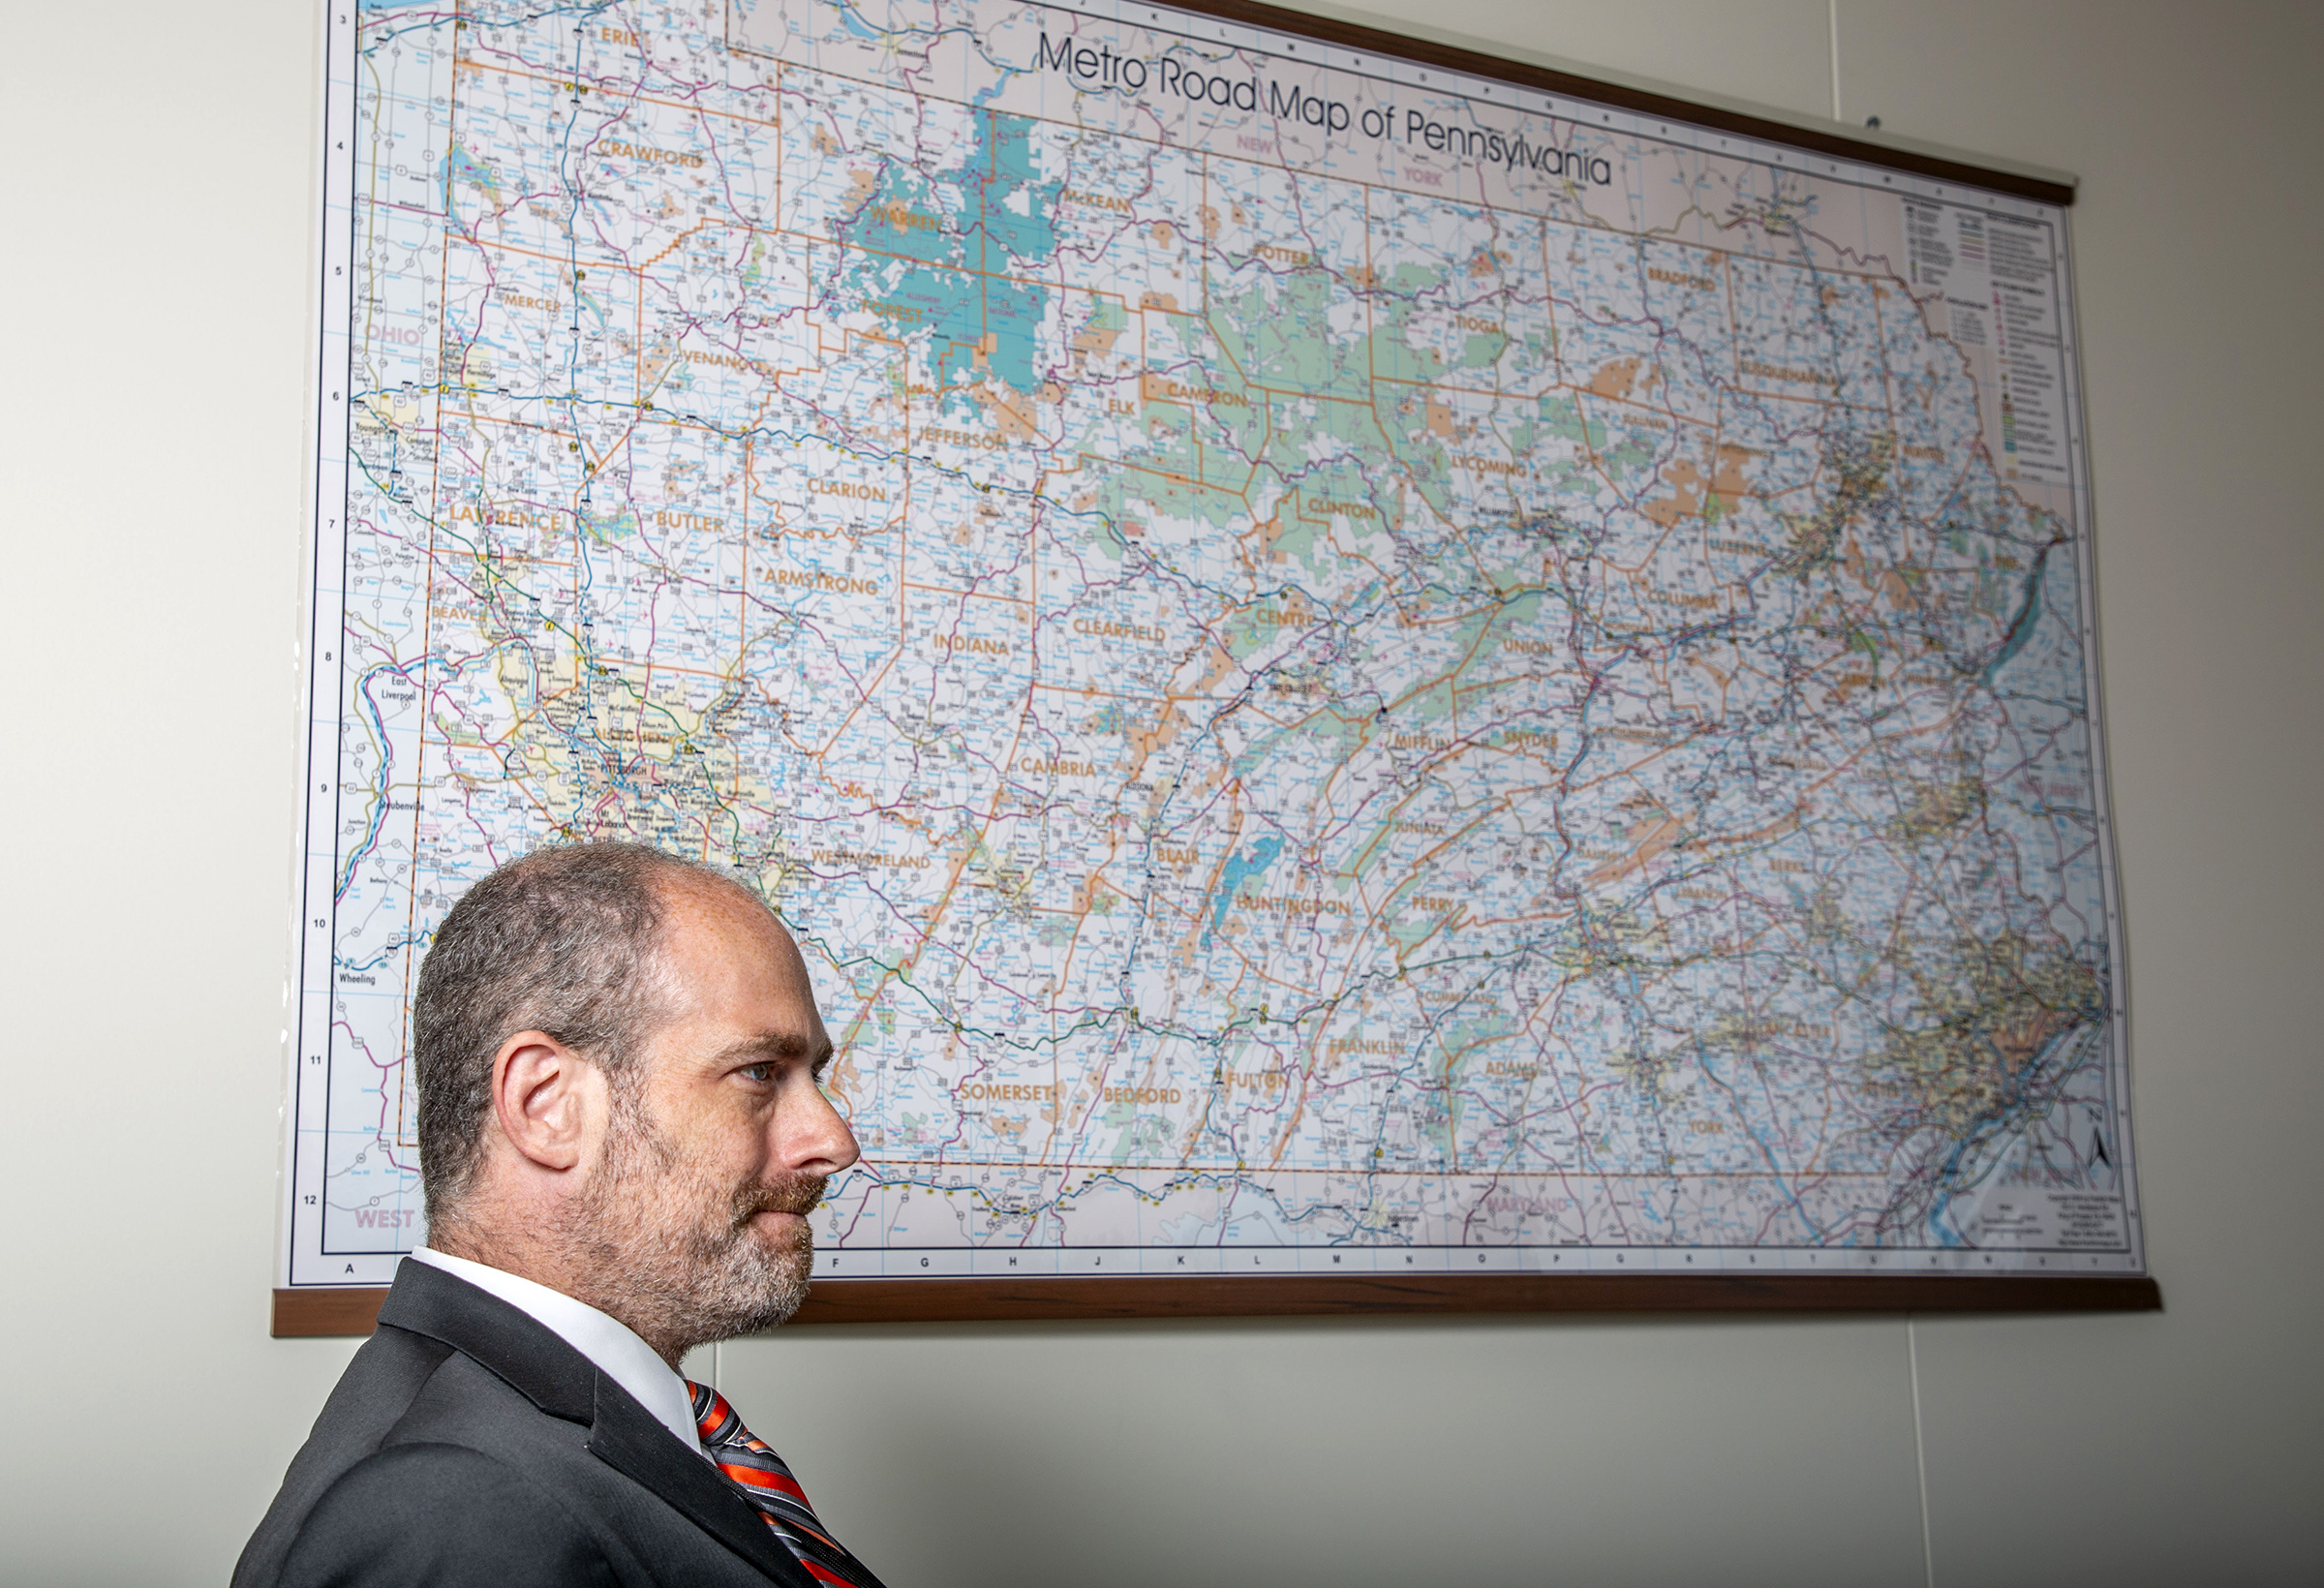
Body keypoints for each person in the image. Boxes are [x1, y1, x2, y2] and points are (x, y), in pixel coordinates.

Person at [235, 841, 885, 1588]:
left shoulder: (543, 1424)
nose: (834, 1141)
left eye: (813, 1075)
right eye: (759, 1073)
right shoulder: (451, 1510)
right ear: (546, 1107)